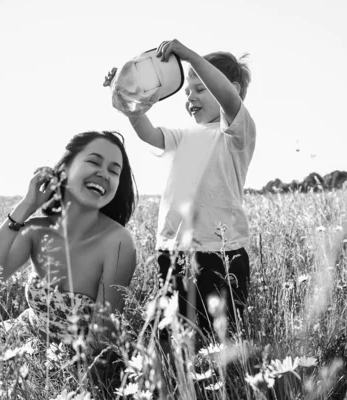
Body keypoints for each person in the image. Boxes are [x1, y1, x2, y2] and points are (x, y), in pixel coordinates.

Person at [104, 39, 255, 342]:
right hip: (173, 253)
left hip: (220, 255)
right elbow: (148, 134)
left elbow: (225, 96)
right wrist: (126, 97)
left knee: (219, 340)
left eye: (199, 89)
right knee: (172, 338)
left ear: (233, 88)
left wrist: (189, 56)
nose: (190, 97)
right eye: (187, 92)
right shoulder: (185, 137)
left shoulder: (236, 133)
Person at [0, 130, 138, 359]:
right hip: (17, 336)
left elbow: (100, 339)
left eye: (114, 171)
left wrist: (48, 373)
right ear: (64, 170)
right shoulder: (37, 230)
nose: (104, 174)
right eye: (94, 161)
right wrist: (26, 206)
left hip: (69, 361)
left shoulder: (118, 242)